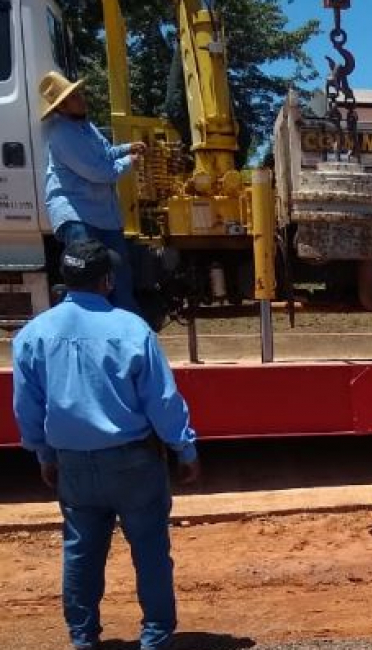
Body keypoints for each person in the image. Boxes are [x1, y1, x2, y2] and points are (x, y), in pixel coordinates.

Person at [12, 239, 200, 650]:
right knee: (150, 549)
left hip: (73, 464)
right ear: (108, 280)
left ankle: (83, 637)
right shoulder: (132, 329)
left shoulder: (32, 336)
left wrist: (44, 453)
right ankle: (154, 636)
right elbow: (162, 401)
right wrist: (184, 449)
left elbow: (27, 406)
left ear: (65, 278)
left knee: (81, 551)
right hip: (133, 462)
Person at [39, 70, 146, 315]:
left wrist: (126, 148)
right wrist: (130, 161)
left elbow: (105, 153)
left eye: (79, 94)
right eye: (75, 96)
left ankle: (123, 328)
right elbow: (98, 171)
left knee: (118, 273)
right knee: (87, 277)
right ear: (62, 107)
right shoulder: (63, 134)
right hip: (77, 214)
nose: (82, 98)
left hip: (98, 213)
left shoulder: (85, 127)